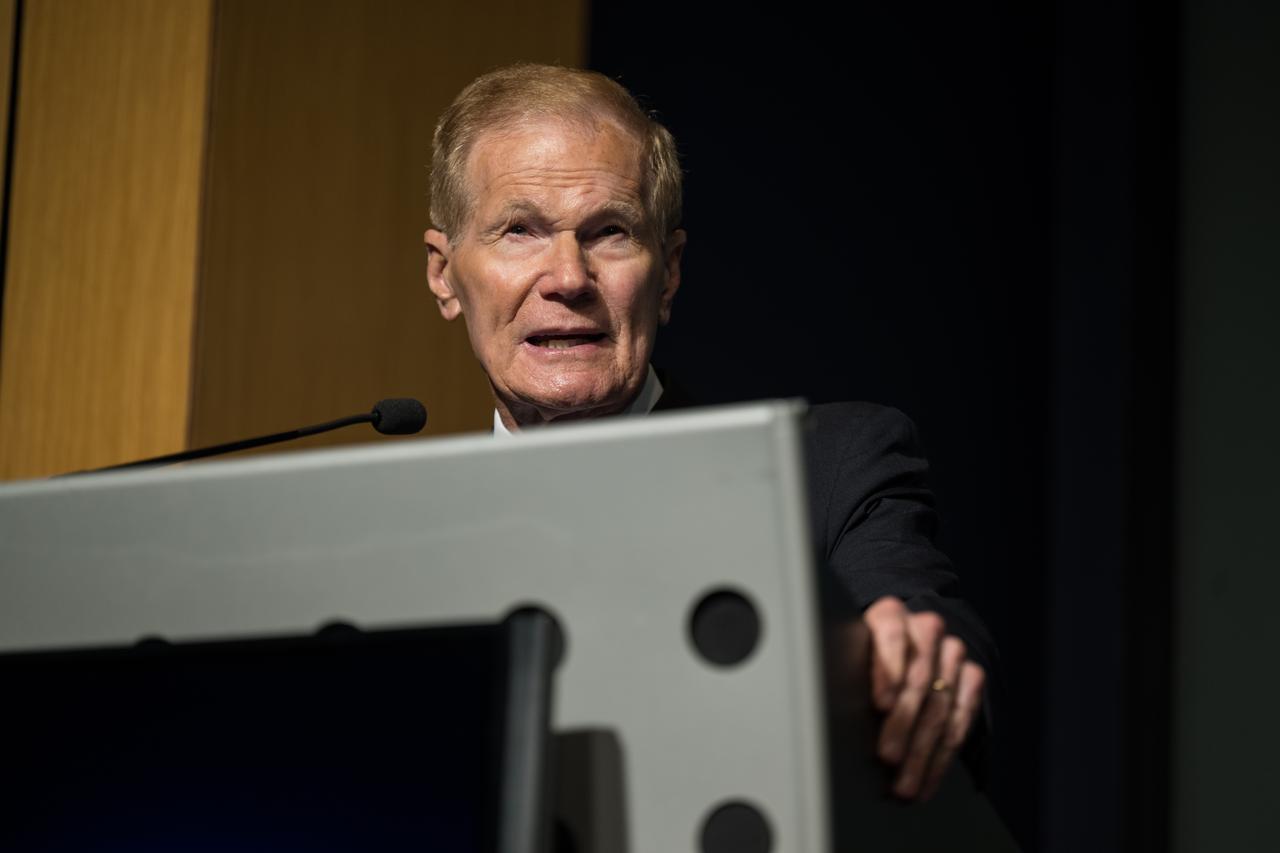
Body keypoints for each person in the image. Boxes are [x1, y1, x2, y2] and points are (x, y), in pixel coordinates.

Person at [424, 63, 993, 802]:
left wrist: (922, 666)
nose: (567, 277)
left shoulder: (828, 469)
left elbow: (922, 625)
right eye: (520, 231)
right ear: (445, 275)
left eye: (610, 232)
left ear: (667, 274)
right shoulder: (394, 536)